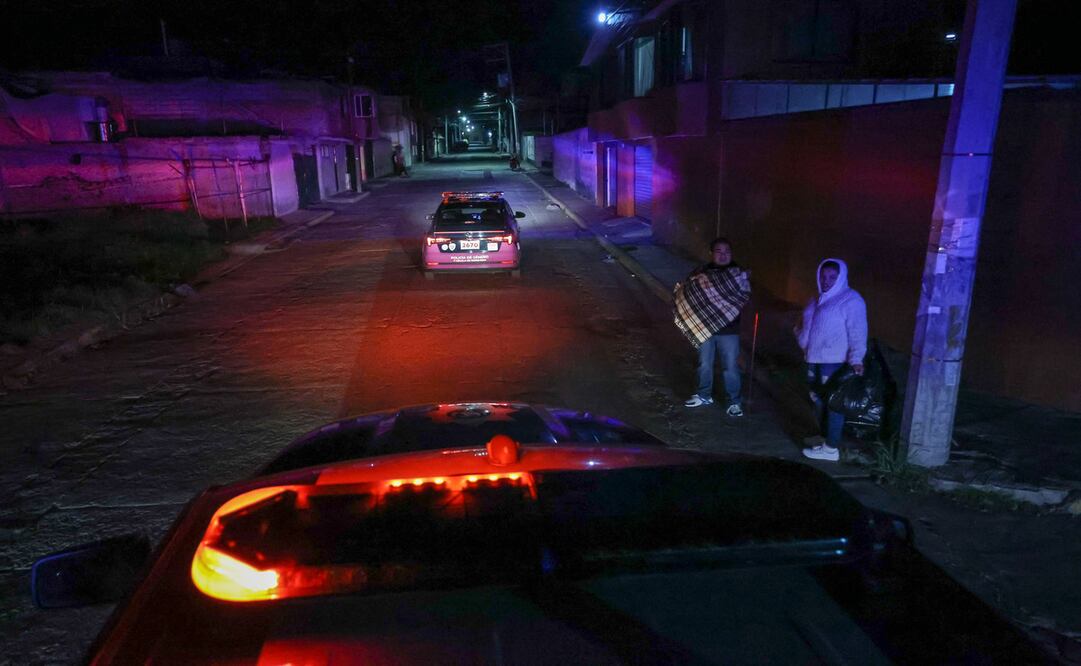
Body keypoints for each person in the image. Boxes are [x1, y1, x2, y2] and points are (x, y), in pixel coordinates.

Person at [796, 258, 868, 462]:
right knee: (817, 400)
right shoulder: (817, 298)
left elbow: (858, 331)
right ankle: (824, 436)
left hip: (834, 361)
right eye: (823, 276)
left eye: (832, 277)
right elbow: (807, 324)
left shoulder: (850, 299)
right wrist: (800, 335)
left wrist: (856, 358)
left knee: (833, 403)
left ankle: (831, 448)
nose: (826, 280)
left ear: (841, 277)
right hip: (813, 358)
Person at [674, 237, 752, 416]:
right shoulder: (701, 272)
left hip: (729, 330)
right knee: (704, 364)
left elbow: (743, 297)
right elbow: (691, 293)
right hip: (704, 328)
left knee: (730, 366)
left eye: (727, 252)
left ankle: (734, 402)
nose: (723, 255)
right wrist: (680, 295)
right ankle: (703, 395)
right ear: (712, 253)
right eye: (719, 251)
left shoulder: (738, 274)